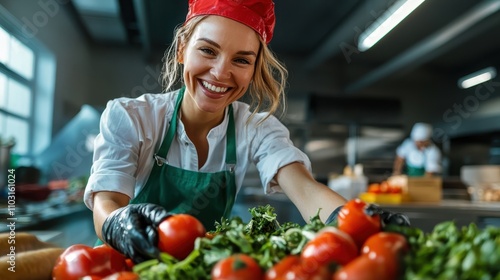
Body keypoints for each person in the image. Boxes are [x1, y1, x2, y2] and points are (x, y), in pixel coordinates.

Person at [84, 0, 407, 265]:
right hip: (121, 268)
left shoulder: (257, 127)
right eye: (208, 51)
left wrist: (357, 220)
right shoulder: (131, 117)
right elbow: (108, 201)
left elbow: (305, 190)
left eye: (241, 60)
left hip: (201, 272)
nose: (221, 73)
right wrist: (118, 223)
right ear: (182, 48)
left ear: (253, 70)